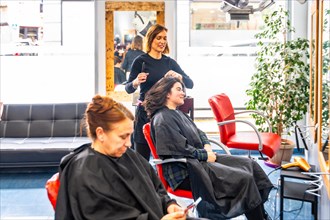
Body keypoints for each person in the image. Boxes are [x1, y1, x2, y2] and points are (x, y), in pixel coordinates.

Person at [143, 77, 274, 220]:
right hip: (186, 172)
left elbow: (200, 133)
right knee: (244, 178)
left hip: (198, 161)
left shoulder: (178, 113)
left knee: (250, 165)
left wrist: (206, 145)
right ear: (167, 93)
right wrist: (205, 155)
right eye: (179, 89)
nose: (183, 93)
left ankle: (260, 215)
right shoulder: (162, 119)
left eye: (183, 90)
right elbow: (179, 149)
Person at [55, 95, 187, 220]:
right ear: (100, 133)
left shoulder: (128, 155)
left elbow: (155, 187)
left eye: (130, 135)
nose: (129, 144)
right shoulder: (84, 172)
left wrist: (169, 205)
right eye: (123, 136)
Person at [125, 24, 194, 161]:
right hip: (144, 114)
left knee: (165, 157)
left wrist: (179, 77)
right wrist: (136, 81)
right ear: (151, 39)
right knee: (141, 159)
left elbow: (190, 83)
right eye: (158, 38)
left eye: (164, 38)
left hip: (165, 117)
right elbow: (128, 88)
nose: (162, 41)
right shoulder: (140, 61)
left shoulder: (169, 63)